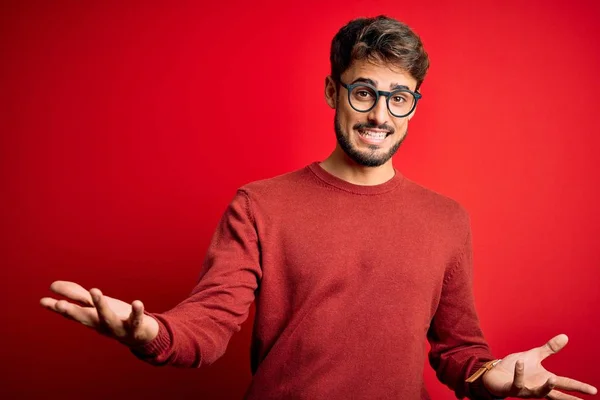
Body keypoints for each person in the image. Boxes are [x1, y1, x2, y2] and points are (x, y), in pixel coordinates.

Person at [40, 15, 597, 400]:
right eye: (364, 92)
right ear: (332, 91)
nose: (380, 114)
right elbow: (207, 327)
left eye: (398, 97)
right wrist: (151, 334)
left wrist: (487, 376)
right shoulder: (260, 205)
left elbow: (458, 350)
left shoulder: (447, 219)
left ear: (413, 105)